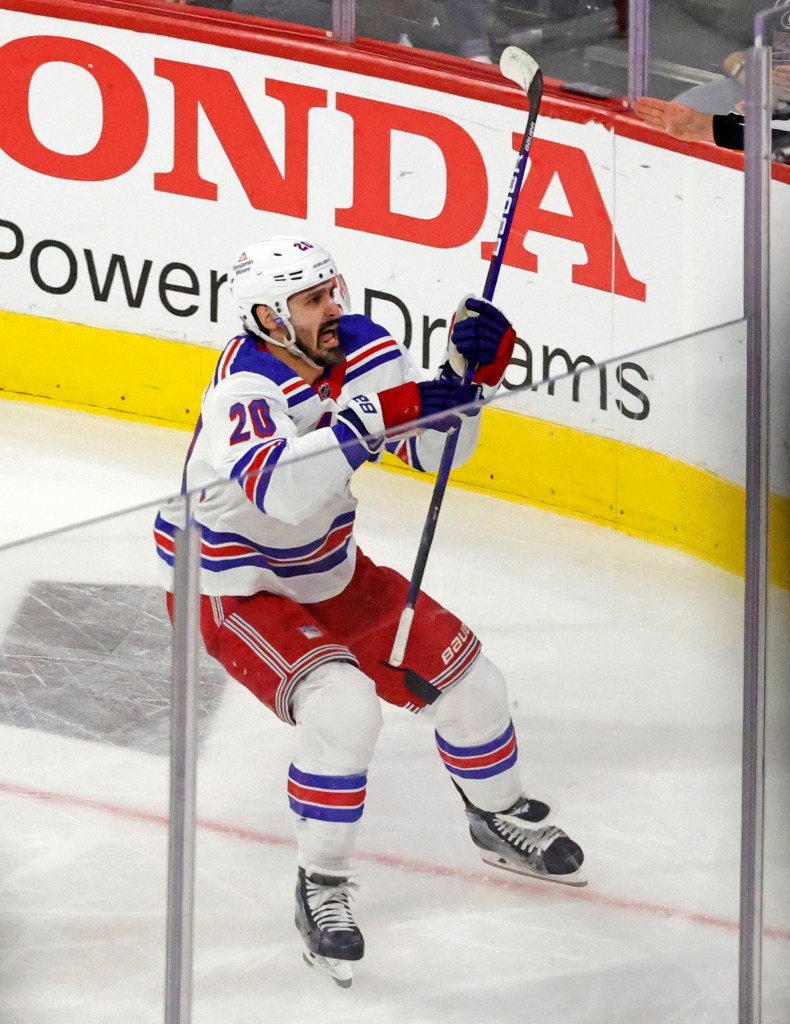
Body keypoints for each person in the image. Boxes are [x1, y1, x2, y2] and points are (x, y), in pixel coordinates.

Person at [154, 236, 585, 987]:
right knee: (345, 710)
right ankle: (319, 887)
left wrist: (463, 383)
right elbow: (282, 495)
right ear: (268, 315)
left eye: (333, 292)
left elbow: (432, 453)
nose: (334, 309)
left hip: (328, 569)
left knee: (476, 685)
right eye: (314, 300)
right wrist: (364, 420)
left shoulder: (364, 346)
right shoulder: (242, 391)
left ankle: (498, 814)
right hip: (233, 585)